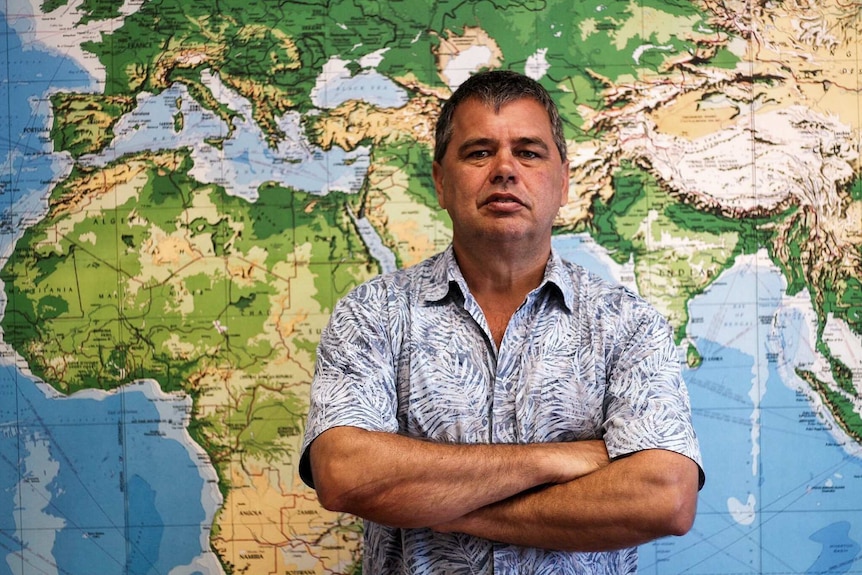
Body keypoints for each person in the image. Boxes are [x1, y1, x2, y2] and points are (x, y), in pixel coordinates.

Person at [299, 69, 705, 574]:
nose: (504, 169)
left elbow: (664, 498)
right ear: (441, 183)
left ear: (563, 182)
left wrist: (442, 506)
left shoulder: (630, 324)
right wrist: (556, 460)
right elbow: (343, 474)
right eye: (478, 152)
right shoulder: (372, 314)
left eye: (530, 152)